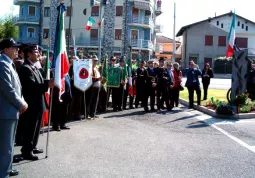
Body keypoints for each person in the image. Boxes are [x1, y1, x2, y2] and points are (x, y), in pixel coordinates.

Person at [18, 45, 54, 160]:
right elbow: (31, 87)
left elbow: (40, 81)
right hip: (32, 104)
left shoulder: (34, 67)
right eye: (36, 51)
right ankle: (26, 151)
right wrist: (47, 84)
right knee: (30, 128)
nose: (39, 53)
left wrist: (48, 82)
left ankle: (33, 146)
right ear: (28, 54)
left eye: (39, 51)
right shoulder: (25, 68)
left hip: (38, 103)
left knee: (37, 127)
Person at [0, 38, 28, 177]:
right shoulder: (2, 64)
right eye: (14, 47)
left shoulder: (9, 64)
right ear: (5, 50)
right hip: (6, 111)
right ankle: (3, 173)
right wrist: (21, 103)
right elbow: (8, 89)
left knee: (9, 144)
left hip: (11, 110)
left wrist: (21, 101)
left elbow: (18, 88)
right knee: (5, 146)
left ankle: (7, 168)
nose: (17, 49)